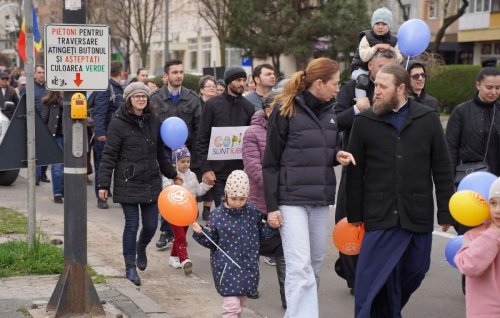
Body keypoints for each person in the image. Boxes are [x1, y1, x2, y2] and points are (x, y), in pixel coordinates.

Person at [345, 64, 454, 317]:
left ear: (401, 88)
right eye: (376, 86)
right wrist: (354, 216)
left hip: (417, 213)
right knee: (371, 281)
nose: (376, 92)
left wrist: (447, 212)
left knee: (416, 269)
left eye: (383, 87)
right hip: (379, 214)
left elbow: (442, 168)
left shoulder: (428, 119)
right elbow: (354, 173)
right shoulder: (364, 121)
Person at [263, 57, 355, 317]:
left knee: (314, 264)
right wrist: (272, 207)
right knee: (299, 266)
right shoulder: (285, 109)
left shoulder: (331, 111)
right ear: (318, 83)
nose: (338, 89)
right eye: (335, 84)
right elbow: (270, 162)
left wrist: (337, 155)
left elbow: (322, 148)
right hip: (290, 200)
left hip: (319, 198)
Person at [97, 82, 181, 286]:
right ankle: (130, 268)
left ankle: (141, 248)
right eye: (137, 96)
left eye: (144, 96)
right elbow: (109, 155)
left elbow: (161, 152)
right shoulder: (118, 122)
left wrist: (172, 173)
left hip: (151, 181)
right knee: (132, 224)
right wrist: (103, 184)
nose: (141, 99)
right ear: (128, 99)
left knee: (151, 225)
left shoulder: (154, 120)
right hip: (128, 180)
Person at [334, 49, 397, 294]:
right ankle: (353, 276)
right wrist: (358, 110)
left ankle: (377, 273)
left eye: (389, 68)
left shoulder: (395, 89)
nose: (384, 73)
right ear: (370, 65)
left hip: (384, 167)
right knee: (350, 219)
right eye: (381, 66)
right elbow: (335, 121)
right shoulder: (352, 88)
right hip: (355, 164)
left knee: (379, 224)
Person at [192, 170, 277, 318]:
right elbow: (211, 241)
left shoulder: (252, 213)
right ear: (226, 195)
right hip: (227, 267)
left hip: (247, 267)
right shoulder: (217, 215)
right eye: (234, 198)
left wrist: (271, 226)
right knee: (231, 307)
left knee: (240, 303)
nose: (238, 202)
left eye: (242, 198)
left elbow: (261, 234)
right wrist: (200, 233)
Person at [150, 59, 201, 248]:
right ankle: (165, 231)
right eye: (174, 72)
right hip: (161, 154)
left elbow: (198, 129)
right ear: (166, 76)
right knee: (166, 192)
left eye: (181, 72)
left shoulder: (193, 99)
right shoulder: (154, 99)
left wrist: (194, 157)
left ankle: (177, 232)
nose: (179, 75)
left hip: (184, 156)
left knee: (182, 193)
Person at [242, 91, 286, 307]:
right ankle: (250, 285)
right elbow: (253, 167)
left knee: (283, 251)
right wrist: (276, 187)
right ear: (268, 111)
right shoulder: (252, 133)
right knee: (252, 248)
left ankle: (287, 296)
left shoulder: (288, 130)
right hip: (258, 202)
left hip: (284, 202)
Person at [446, 62, 500, 235]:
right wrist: (449, 184)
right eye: (489, 87)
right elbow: (450, 149)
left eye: (498, 88)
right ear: (478, 85)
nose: (494, 92)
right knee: (469, 236)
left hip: (496, 186)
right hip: (468, 185)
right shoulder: (461, 112)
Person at [197, 65, 255, 210]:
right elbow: (202, 137)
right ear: (229, 82)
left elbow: (251, 141)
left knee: (240, 213)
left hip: (240, 173)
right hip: (218, 173)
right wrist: (206, 169)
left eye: (243, 80)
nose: (242, 83)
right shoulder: (212, 105)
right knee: (224, 212)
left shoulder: (248, 107)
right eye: (238, 80)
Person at [454, 177, 500, 317]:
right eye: (493, 203)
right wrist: (493, 233)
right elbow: (469, 266)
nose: (497, 210)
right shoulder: (474, 236)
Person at [164, 145, 213, 275]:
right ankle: (184, 260)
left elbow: (197, 191)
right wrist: (174, 184)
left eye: (188, 161)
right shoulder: (170, 175)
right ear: (175, 161)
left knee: (181, 235)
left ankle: (173, 257)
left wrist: (207, 185)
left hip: (188, 212)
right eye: (182, 161)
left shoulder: (192, 175)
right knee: (180, 236)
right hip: (174, 211)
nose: (186, 164)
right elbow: (165, 189)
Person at [350, 7, 403, 100]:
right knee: (363, 80)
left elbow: (399, 60)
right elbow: (364, 57)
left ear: (389, 25)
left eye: (384, 24)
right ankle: (361, 102)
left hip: (383, 71)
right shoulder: (366, 37)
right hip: (361, 68)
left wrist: (391, 49)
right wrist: (376, 47)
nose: (380, 26)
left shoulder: (393, 41)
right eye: (377, 23)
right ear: (372, 24)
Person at [93, 60, 125, 209]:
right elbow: (99, 111)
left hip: (117, 134)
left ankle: (110, 193)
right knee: (102, 166)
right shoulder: (106, 87)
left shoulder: (119, 87)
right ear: (121, 72)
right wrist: (100, 132)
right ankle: (101, 198)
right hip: (106, 134)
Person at [198, 75, 218, 220]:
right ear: (201, 90)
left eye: (213, 86)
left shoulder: (218, 104)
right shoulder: (197, 105)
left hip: (216, 145)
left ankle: (207, 208)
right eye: (208, 86)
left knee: (212, 178)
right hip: (199, 146)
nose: (211, 88)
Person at [40, 91, 64, 203]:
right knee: (58, 167)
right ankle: (57, 193)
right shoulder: (48, 102)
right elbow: (43, 121)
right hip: (56, 138)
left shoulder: (75, 100)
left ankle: (64, 189)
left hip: (71, 139)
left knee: (68, 168)